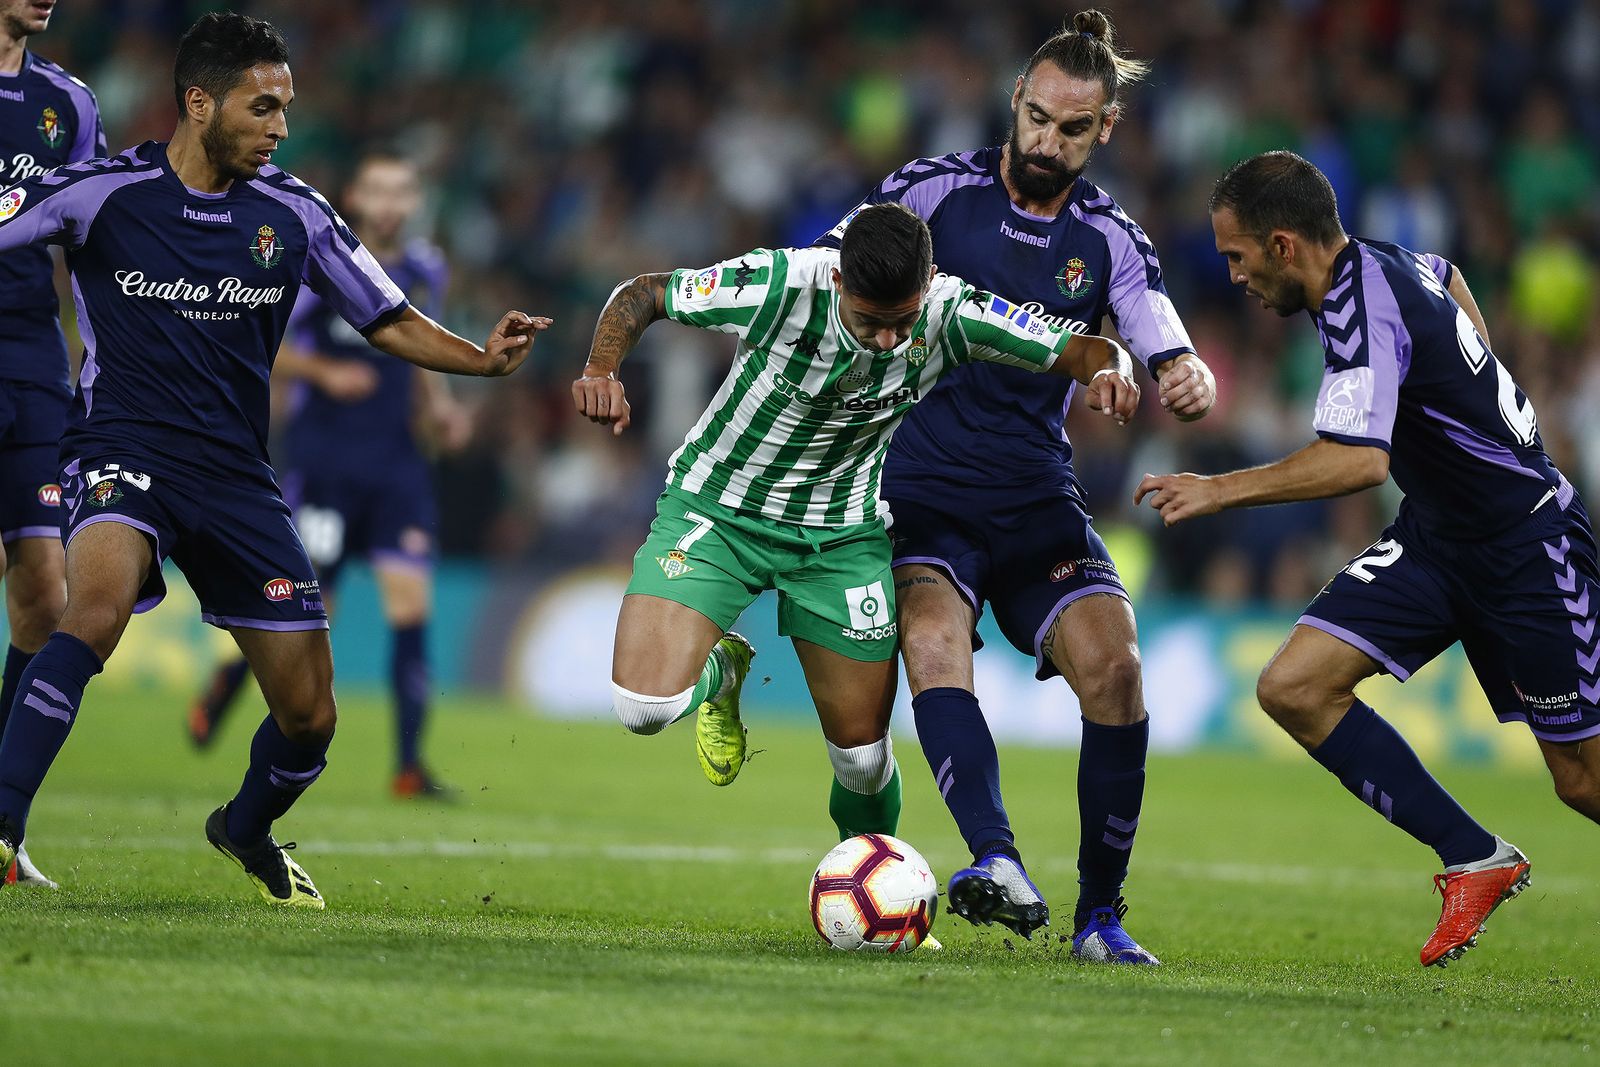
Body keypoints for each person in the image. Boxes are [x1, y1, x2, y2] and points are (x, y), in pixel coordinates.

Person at [0, 11, 547, 908]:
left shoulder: (294, 212)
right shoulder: (102, 192)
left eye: (285, 107)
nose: (281, 127)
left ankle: (244, 827)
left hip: (236, 478)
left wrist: (482, 360)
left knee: (310, 714)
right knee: (90, 609)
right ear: (199, 103)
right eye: (262, 107)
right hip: (121, 450)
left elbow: (388, 317)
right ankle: (5, 827)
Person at [816, 10, 1214, 963]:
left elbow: (1152, 321)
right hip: (921, 483)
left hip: (1034, 491)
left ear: (1104, 128)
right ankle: (997, 859)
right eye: (1037, 118)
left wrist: (1181, 368)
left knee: (1117, 670)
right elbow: (832, 266)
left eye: (1072, 129)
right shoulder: (932, 191)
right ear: (1016, 100)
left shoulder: (1107, 235)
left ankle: (1100, 918)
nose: (1046, 142)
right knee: (931, 638)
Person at [1136, 149, 1600, 967]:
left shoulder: (1356, 302)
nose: (1235, 277)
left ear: (1283, 245)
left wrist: (1218, 489)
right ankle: (1475, 855)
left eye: (1237, 256)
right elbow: (1449, 275)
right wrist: (1485, 385)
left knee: (1582, 779)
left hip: (1529, 544)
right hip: (1439, 535)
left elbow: (1357, 461)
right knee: (1294, 685)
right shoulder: (1383, 263)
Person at [572, 202, 1139, 850]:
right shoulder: (780, 284)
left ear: (927, 286)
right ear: (838, 281)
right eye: (871, 321)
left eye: (903, 321)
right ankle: (721, 672)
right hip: (719, 511)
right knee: (643, 708)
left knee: (863, 762)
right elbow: (644, 293)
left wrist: (1111, 372)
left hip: (841, 537)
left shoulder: (953, 312)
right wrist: (600, 370)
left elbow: (1083, 348)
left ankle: (874, 889)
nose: (889, 341)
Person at [184, 150, 469, 800]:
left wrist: (442, 408)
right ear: (356, 198)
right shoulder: (320, 262)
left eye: (401, 191)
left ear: (414, 202)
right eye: (378, 190)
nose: (389, 204)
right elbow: (262, 344)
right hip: (327, 466)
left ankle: (408, 766)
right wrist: (324, 372)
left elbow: (420, 349)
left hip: (397, 467)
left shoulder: (425, 270)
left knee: (411, 606)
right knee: (309, 613)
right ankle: (227, 685)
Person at [0, 0, 104, 889]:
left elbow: (86, 232)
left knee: (45, 591)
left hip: (34, 357)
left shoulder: (68, 103)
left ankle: (1, 827)